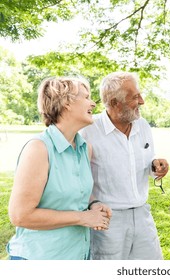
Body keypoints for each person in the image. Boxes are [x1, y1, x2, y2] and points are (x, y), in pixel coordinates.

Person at [7, 77, 112, 260]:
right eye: (86, 97)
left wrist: (94, 204)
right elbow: (20, 216)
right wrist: (83, 217)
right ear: (66, 102)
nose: (93, 103)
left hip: (77, 256)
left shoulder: (84, 148)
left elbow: (78, 191)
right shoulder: (39, 149)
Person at [80, 71, 168, 260]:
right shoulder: (87, 130)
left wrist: (155, 166)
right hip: (108, 220)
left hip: (143, 215)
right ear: (113, 103)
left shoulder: (142, 125)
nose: (142, 101)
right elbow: (79, 178)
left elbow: (146, 159)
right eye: (135, 97)